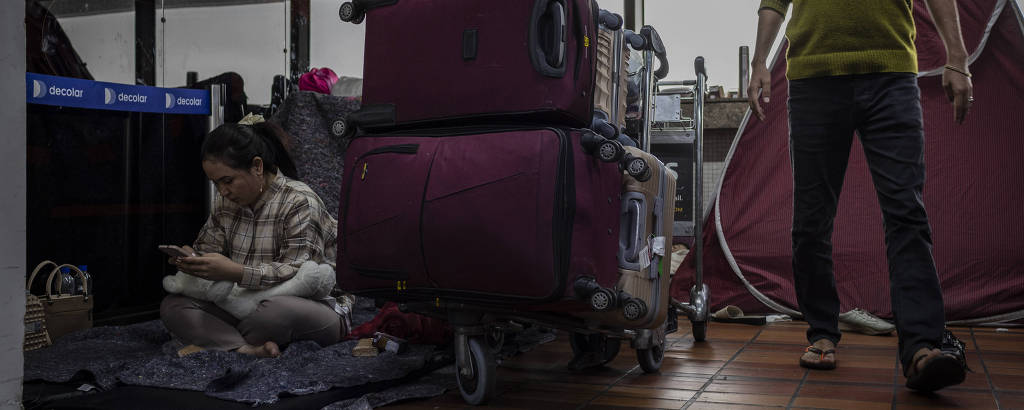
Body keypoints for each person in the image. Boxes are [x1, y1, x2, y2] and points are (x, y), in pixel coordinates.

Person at [747, 0, 972, 391]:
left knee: (906, 212)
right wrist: (758, 62)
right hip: (814, 77)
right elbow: (774, 2)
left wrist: (958, 57)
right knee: (811, 220)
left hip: (891, 75)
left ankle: (923, 345)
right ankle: (821, 332)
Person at [160, 116, 346, 358]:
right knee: (173, 305)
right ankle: (247, 348)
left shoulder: (299, 201)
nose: (223, 191)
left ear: (257, 167)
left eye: (228, 181)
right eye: (216, 184)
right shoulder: (224, 203)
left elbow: (302, 275)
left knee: (276, 313)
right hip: (242, 303)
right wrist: (195, 261)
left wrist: (235, 272)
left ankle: (221, 340)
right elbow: (209, 249)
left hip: (308, 305)